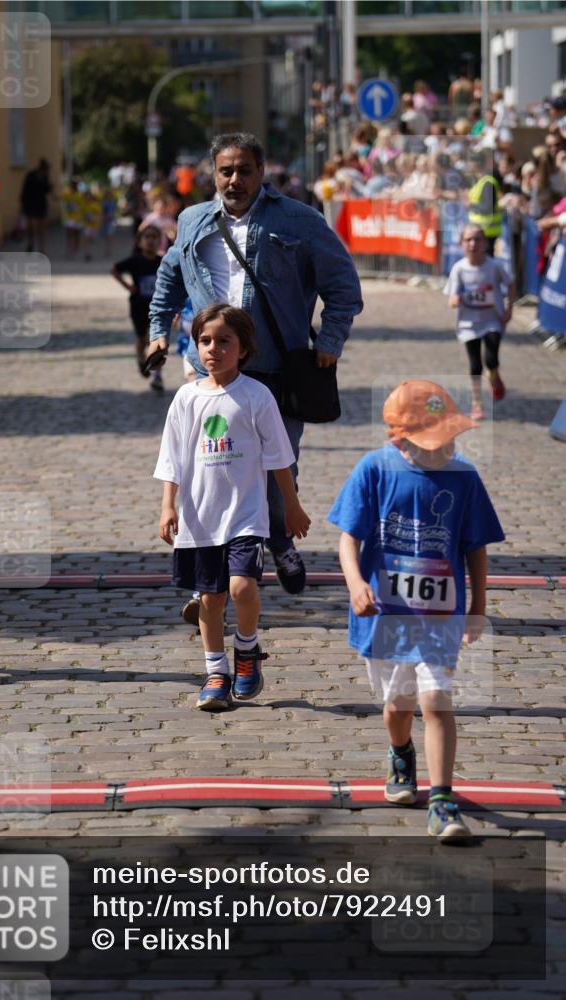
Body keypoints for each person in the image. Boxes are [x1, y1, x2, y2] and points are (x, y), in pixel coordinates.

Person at [147, 131, 362, 602]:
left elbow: (344, 285)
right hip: (209, 370)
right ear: (213, 173)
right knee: (211, 470)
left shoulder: (300, 220)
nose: (235, 179)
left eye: (245, 170)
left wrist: (329, 339)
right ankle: (214, 579)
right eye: (226, 170)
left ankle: (281, 541)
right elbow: (167, 281)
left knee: (275, 471)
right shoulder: (192, 221)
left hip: (278, 370)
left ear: (262, 173)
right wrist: (158, 330)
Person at [328, 379, 504, 840]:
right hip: (385, 616)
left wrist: (478, 606)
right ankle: (400, 751)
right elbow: (349, 538)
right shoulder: (374, 470)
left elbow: (476, 546)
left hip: (440, 616)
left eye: (450, 437)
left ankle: (443, 801)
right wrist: (355, 584)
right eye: (433, 440)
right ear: (399, 438)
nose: (444, 447)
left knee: (436, 701)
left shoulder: (464, 477)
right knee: (397, 706)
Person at [154, 304, 311, 711]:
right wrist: (167, 505)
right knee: (210, 599)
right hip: (199, 517)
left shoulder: (257, 396)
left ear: (243, 349)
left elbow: (279, 456)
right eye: (204, 341)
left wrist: (291, 508)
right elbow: (172, 457)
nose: (213, 349)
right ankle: (215, 672)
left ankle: (246, 649)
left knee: (241, 586)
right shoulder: (186, 398)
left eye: (224, 341)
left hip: (245, 515)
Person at [444, 224, 515, 420]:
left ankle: (494, 376)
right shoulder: (459, 269)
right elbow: (451, 295)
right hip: (468, 324)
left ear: (485, 243)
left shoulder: (494, 266)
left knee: (491, 359)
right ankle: (477, 403)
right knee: (475, 365)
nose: (473, 244)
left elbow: (510, 284)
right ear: (461, 244)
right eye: (468, 240)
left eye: (477, 239)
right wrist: (454, 300)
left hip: (492, 319)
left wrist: (510, 308)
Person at [111, 223, 164, 393]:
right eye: (146, 237)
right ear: (140, 242)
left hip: (157, 308)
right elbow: (115, 270)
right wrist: (128, 286)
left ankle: (157, 376)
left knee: (155, 339)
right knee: (142, 338)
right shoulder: (135, 261)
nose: (150, 241)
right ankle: (141, 359)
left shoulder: (163, 262)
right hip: (138, 306)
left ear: (159, 242)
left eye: (154, 237)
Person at [20, 159, 52, 254]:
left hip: (41, 205)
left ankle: (41, 248)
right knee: (31, 227)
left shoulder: (45, 177)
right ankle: (31, 243)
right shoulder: (31, 176)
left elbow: (47, 190)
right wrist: (23, 205)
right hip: (31, 205)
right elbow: (25, 191)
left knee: (41, 228)